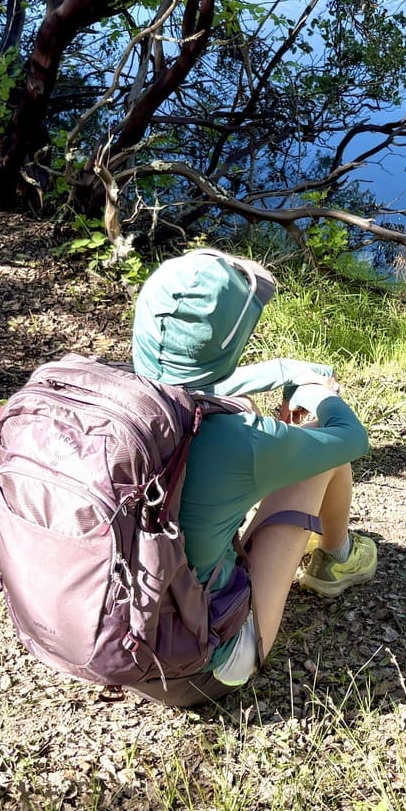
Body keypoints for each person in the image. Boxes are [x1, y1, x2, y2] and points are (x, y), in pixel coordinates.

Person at [131, 248, 377, 688]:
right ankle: (337, 560)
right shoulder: (240, 439)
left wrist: (285, 371)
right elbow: (351, 438)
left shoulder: (120, 398)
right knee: (322, 451)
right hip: (198, 668)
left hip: (113, 634)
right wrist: (315, 393)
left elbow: (200, 385)